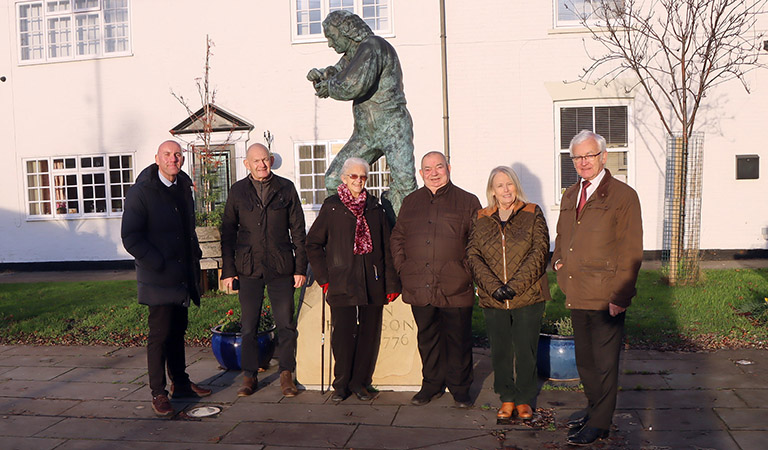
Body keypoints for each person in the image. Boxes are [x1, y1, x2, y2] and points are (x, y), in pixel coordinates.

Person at [553, 130, 643, 445]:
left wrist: (621, 295)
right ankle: (594, 411)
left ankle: (601, 423)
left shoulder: (622, 195)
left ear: (603, 157)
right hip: (577, 290)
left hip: (606, 294)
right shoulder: (570, 194)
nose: (583, 162)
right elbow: (563, 236)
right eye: (577, 157)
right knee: (586, 362)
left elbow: (631, 250)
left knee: (605, 363)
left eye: (589, 155)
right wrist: (558, 263)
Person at [121, 140, 212, 417]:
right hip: (158, 276)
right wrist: (157, 262)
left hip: (182, 274)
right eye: (167, 155)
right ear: (157, 159)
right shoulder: (142, 192)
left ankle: (181, 384)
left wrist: (195, 253)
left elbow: (187, 227)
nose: (173, 159)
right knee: (159, 335)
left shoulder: (183, 186)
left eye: (177, 154)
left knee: (178, 331)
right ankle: (158, 392)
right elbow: (130, 237)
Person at [306, 157, 400, 403]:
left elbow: (386, 248)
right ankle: (341, 384)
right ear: (344, 179)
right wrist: (324, 278)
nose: (359, 181)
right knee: (343, 335)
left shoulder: (375, 208)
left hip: (372, 281)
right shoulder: (332, 207)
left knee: (369, 334)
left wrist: (391, 284)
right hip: (342, 282)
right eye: (354, 176)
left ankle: (360, 383)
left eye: (363, 177)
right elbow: (313, 243)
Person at [390, 151, 481, 408]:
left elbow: (478, 241)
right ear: (421, 173)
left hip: (455, 285)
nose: (433, 173)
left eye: (438, 167)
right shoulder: (411, 202)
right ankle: (431, 384)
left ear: (448, 168)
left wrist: (466, 271)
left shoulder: (468, 201)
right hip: (418, 283)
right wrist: (403, 267)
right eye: (428, 169)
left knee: (458, 339)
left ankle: (461, 388)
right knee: (427, 338)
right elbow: (398, 237)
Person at [307, 10, 417, 217]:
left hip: (393, 127)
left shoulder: (373, 46)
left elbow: (353, 84)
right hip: (367, 133)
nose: (330, 44)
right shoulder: (354, 54)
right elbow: (338, 73)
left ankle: (406, 237)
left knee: (404, 186)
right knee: (334, 179)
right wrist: (322, 77)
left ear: (346, 31)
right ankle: (349, 229)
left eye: (332, 37)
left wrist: (329, 86)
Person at [220, 143, 307, 398]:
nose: (262, 165)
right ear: (246, 164)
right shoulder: (238, 191)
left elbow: (299, 231)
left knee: (286, 325)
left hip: (281, 267)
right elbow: (228, 232)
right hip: (248, 268)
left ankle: (286, 374)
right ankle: (249, 375)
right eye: (256, 161)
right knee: (249, 326)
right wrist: (229, 270)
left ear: (271, 160)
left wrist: (300, 267)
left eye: (265, 160)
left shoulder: (286, 188)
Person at [466, 166, 550, 421]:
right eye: (500, 185)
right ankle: (507, 397)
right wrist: (494, 287)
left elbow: (540, 251)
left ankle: (525, 398)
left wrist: (514, 286)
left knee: (526, 350)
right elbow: (473, 254)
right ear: (492, 190)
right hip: (493, 298)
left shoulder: (532, 212)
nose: (505, 189)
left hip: (527, 295)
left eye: (509, 184)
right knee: (501, 351)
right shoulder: (481, 217)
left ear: (516, 186)